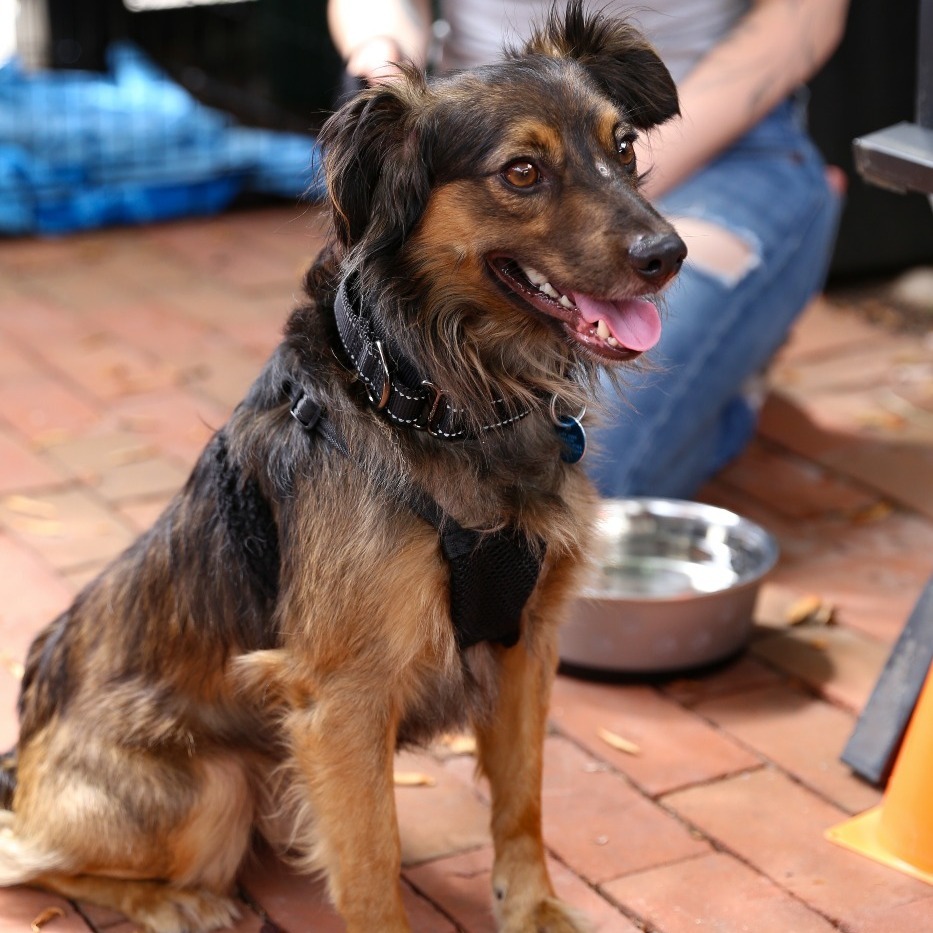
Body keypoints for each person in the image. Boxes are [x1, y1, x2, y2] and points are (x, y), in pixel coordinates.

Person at [326, 0, 850, 499]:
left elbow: (806, 17)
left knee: (589, 474)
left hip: (734, 148)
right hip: (474, 143)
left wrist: (603, 165)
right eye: (526, 171)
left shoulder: (601, 141)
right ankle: (717, 372)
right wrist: (386, 60)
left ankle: (729, 381)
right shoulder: (438, 148)